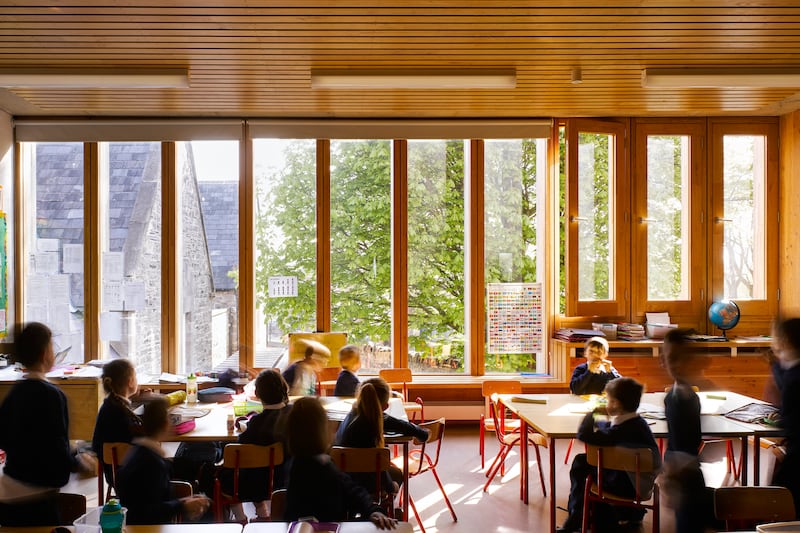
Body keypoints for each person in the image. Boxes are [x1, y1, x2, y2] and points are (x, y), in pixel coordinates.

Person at [0, 322, 97, 527]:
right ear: (45, 353)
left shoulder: (14, 394)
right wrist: (79, 462)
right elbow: (57, 449)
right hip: (37, 497)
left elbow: (5, 438)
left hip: (8, 494)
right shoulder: (52, 395)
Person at [558, 377, 660, 533]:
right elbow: (611, 429)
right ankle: (630, 512)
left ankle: (576, 517)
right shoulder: (639, 425)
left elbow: (583, 435)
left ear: (615, 404)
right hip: (641, 484)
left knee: (581, 463)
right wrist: (600, 422)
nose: (606, 403)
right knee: (586, 462)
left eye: (608, 400)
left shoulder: (617, 432)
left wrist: (592, 414)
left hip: (623, 486)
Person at [284, 396, 397, 529]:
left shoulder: (294, 464)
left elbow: (350, 489)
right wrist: (373, 509)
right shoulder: (323, 467)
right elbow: (350, 491)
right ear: (321, 430)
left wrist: (372, 509)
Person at [116, 396, 211, 525]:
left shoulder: (137, 451)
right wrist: (182, 505)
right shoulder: (153, 463)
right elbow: (147, 512)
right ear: (166, 424)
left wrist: (184, 502)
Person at [335, 377, 429, 497]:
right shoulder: (373, 421)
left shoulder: (354, 412)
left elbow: (397, 424)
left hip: (343, 478)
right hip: (364, 481)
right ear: (385, 406)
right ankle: (384, 506)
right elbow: (377, 464)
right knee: (397, 473)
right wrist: (390, 486)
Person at [660, 328, 714, 533]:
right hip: (681, 477)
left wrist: (672, 472)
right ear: (662, 361)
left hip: (688, 478)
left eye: (683, 359)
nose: (677, 365)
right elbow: (675, 440)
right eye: (672, 358)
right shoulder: (672, 396)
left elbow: (689, 444)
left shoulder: (688, 399)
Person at [222, 369, 292, 522]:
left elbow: (241, 450)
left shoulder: (255, 424)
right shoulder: (293, 415)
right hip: (286, 478)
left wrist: (246, 424)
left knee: (227, 472)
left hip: (257, 482)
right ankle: (262, 513)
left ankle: (240, 518)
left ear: (257, 395)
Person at [92, 358, 143, 487]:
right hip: (134, 476)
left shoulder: (109, 406)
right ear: (130, 381)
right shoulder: (120, 413)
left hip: (114, 475)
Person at [768, 318, 800, 513]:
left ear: (785, 341)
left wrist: (780, 419)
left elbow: (792, 419)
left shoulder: (794, 378)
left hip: (797, 451)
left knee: (784, 494)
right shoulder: (789, 370)